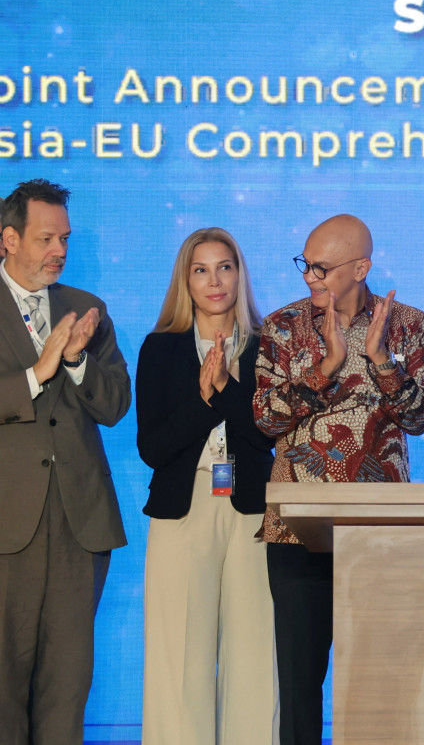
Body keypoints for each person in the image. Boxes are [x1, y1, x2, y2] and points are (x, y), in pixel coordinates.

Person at [254, 214, 424, 745]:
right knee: (299, 679)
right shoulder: (282, 326)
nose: (309, 277)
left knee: (378, 675)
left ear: (361, 267)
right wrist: (325, 367)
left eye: (321, 268)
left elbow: (421, 419)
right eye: (304, 264)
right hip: (296, 527)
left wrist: (382, 361)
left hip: (379, 527)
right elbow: (265, 419)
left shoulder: (407, 324)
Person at [0, 178, 131, 744]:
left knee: (68, 683)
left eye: (66, 238)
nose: (60, 250)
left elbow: (117, 405)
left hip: (79, 523)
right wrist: (37, 373)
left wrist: (76, 361)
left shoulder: (86, 310)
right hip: (8, 523)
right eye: (46, 238)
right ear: (9, 238)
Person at [137, 228, 277, 744]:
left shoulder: (268, 346)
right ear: (185, 280)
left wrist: (225, 389)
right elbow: (152, 448)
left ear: (240, 274)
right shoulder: (160, 348)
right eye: (201, 270)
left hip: (252, 509)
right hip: (183, 507)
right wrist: (202, 402)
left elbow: (266, 434)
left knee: (255, 651)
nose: (214, 280)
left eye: (225, 267)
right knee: (179, 656)